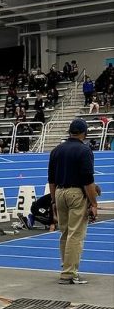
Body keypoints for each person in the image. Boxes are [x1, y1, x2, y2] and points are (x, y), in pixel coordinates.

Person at [48, 118, 98, 285]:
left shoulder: (56, 150)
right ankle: (69, 273)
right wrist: (94, 204)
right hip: (76, 193)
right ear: (84, 133)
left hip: (60, 193)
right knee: (76, 234)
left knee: (65, 233)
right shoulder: (84, 151)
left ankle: (66, 266)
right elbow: (87, 181)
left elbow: (51, 179)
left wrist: (53, 201)